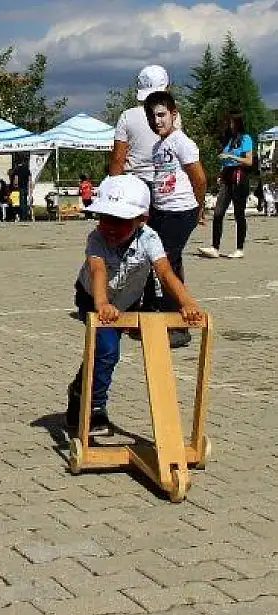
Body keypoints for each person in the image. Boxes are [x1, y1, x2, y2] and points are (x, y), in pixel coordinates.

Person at [64, 175, 203, 436]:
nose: (111, 228)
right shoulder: (96, 238)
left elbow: (164, 271)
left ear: (142, 220)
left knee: (102, 352)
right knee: (107, 349)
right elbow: (97, 269)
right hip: (92, 296)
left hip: (127, 301)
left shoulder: (149, 238)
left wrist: (187, 303)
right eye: (106, 219)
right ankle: (95, 408)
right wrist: (102, 303)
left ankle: (79, 389)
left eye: (120, 221)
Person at [142, 91, 207, 349]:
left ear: (173, 115)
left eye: (161, 115)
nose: (157, 121)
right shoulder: (158, 146)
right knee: (159, 261)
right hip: (161, 210)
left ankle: (180, 325)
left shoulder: (181, 142)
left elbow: (199, 178)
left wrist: (198, 208)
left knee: (166, 263)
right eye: (152, 116)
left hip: (180, 211)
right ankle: (166, 315)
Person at [109, 65, 181, 184]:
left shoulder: (127, 116)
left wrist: (113, 187)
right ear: (167, 88)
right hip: (164, 182)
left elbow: (117, 160)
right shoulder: (173, 116)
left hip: (134, 184)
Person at [199, 113, 253, 259]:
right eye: (229, 123)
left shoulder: (246, 138)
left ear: (238, 123)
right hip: (227, 176)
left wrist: (231, 157)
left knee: (238, 214)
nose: (230, 125)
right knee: (218, 213)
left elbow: (249, 161)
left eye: (232, 123)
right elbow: (225, 161)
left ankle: (239, 248)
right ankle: (214, 247)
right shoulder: (229, 140)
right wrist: (221, 174)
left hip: (239, 177)